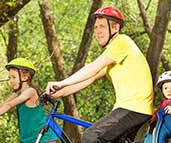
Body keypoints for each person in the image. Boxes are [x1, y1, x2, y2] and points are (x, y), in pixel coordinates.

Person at [45, 6, 154, 143]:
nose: (97, 31)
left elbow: (93, 68)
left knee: (91, 137)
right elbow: (89, 78)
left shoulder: (122, 41)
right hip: (132, 110)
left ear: (115, 28)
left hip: (134, 108)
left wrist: (61, 83)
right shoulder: (114, 54)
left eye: (102, 26)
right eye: (95, 27)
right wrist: (57, 93)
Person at [0, 58, 57, 143]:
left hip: (43, 138)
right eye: (9, 78)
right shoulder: (18, 93)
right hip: (29, 139)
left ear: (25, 77)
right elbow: (4, 104)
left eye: (14, 77)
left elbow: (9, 105)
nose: (10, 81)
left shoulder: (30, 91)